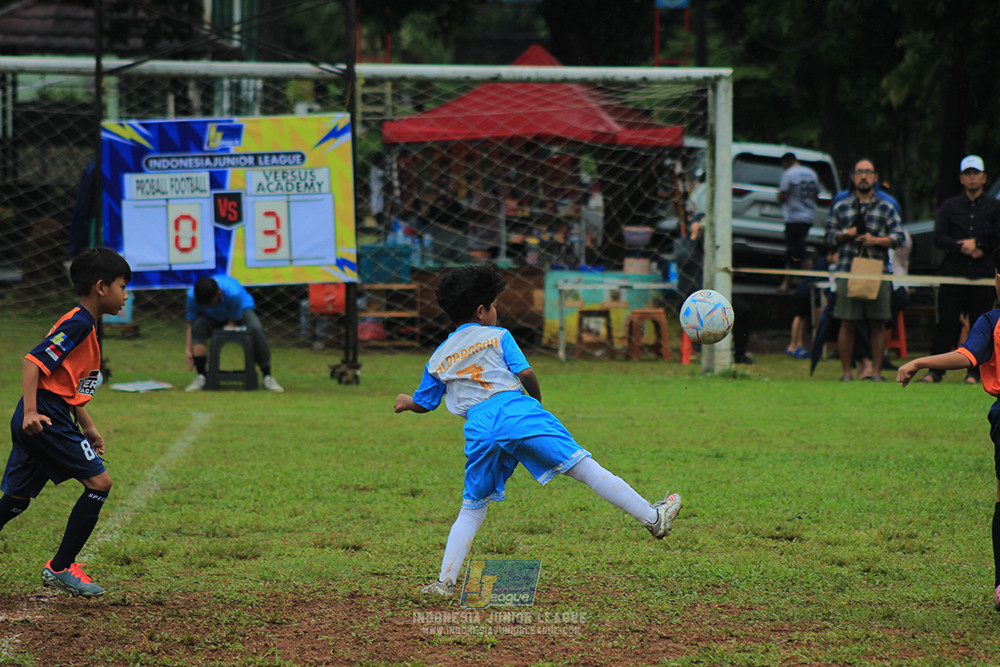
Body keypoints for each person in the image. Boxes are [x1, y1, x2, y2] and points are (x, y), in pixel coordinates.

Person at [394, 265, 681, 596]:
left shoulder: (438, 356)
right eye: (495, 304)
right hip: (517, 411)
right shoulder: (498, 336)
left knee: (472, 508)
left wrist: (406, 402)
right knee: (585, 467)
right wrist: (537, 402)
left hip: (479, 427)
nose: (497, 311)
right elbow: (526, 373)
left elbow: (425, 403)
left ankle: (445, 582)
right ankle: (653, 517)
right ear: (481, 311)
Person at [0, 247, 131, 597]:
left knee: (15, 499)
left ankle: (61, 566)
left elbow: (66, 383)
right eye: (122, 286)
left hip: (48, 411)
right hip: (45, 415)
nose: (126, 295)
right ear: (101, 287)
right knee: (99, 483)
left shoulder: (85, 324)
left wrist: (86, 423)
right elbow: (33, 363)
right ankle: (61, 566)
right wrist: (31, 411)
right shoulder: (79, 323)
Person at [896, 246, 1000, 611]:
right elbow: (967, 357)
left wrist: (920, 361)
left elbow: (966, 357)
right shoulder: (990, 321)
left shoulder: (992, 320)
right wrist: (922, 360)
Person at [920, 155, 1000, 385]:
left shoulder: (995, 206)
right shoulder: (949, 206)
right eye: (968, 173)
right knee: (946, 321)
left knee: (981, 322)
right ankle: (934, 372)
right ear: (961, 178)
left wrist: (980, 245)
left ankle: (974, 373)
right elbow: (939, 237)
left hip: (982, 273)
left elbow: (997, 235)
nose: (972, 177)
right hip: (953, 271)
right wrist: (962, 246)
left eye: (976, 173)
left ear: (983, 177)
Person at [825, 158, 906, 382]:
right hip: (847, 269)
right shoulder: (841, 205)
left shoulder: (886, 206)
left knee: (878, 322)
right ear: (852, 177)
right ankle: (846, 373)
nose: (863, 176)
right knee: (846, 320)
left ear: (875, 177)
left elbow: (899, 237)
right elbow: (828, 236)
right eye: (859, 172)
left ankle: (877, 372)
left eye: (868, 172)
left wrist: (877, 240)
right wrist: (846, 234)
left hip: (877, 270)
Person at [674, 216, 754, 364]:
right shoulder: (683, 243)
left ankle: (739, 355)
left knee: (744, 310)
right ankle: (698, 346)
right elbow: (683, 261)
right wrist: (693, 237)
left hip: (715, 297)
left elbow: (730, 265)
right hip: (691, 298)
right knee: (703, 313)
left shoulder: (714, 246)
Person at [184, 276, 284, 392]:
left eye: (209, 304)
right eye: (204, 305)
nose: (207, 307)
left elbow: (233, 320)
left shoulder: (233, 293)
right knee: (199, 327)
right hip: (211, 317)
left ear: (219, 293)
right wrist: (189, 348)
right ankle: (201, 376)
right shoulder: (192, 296)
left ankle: (267, 375)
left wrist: (221, 337)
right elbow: (191, 324)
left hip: (240, 312)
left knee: (255, 329)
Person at [777, 152, 820, 293]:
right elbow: (816, 194)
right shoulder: (811, 173)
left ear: (786, 162)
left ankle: (812, 279)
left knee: (798, 250)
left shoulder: (789, 174)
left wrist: (781, 199)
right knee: (791, 250)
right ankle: (786, 283)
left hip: (793, 217)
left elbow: (782, 193)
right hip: (807, 217)